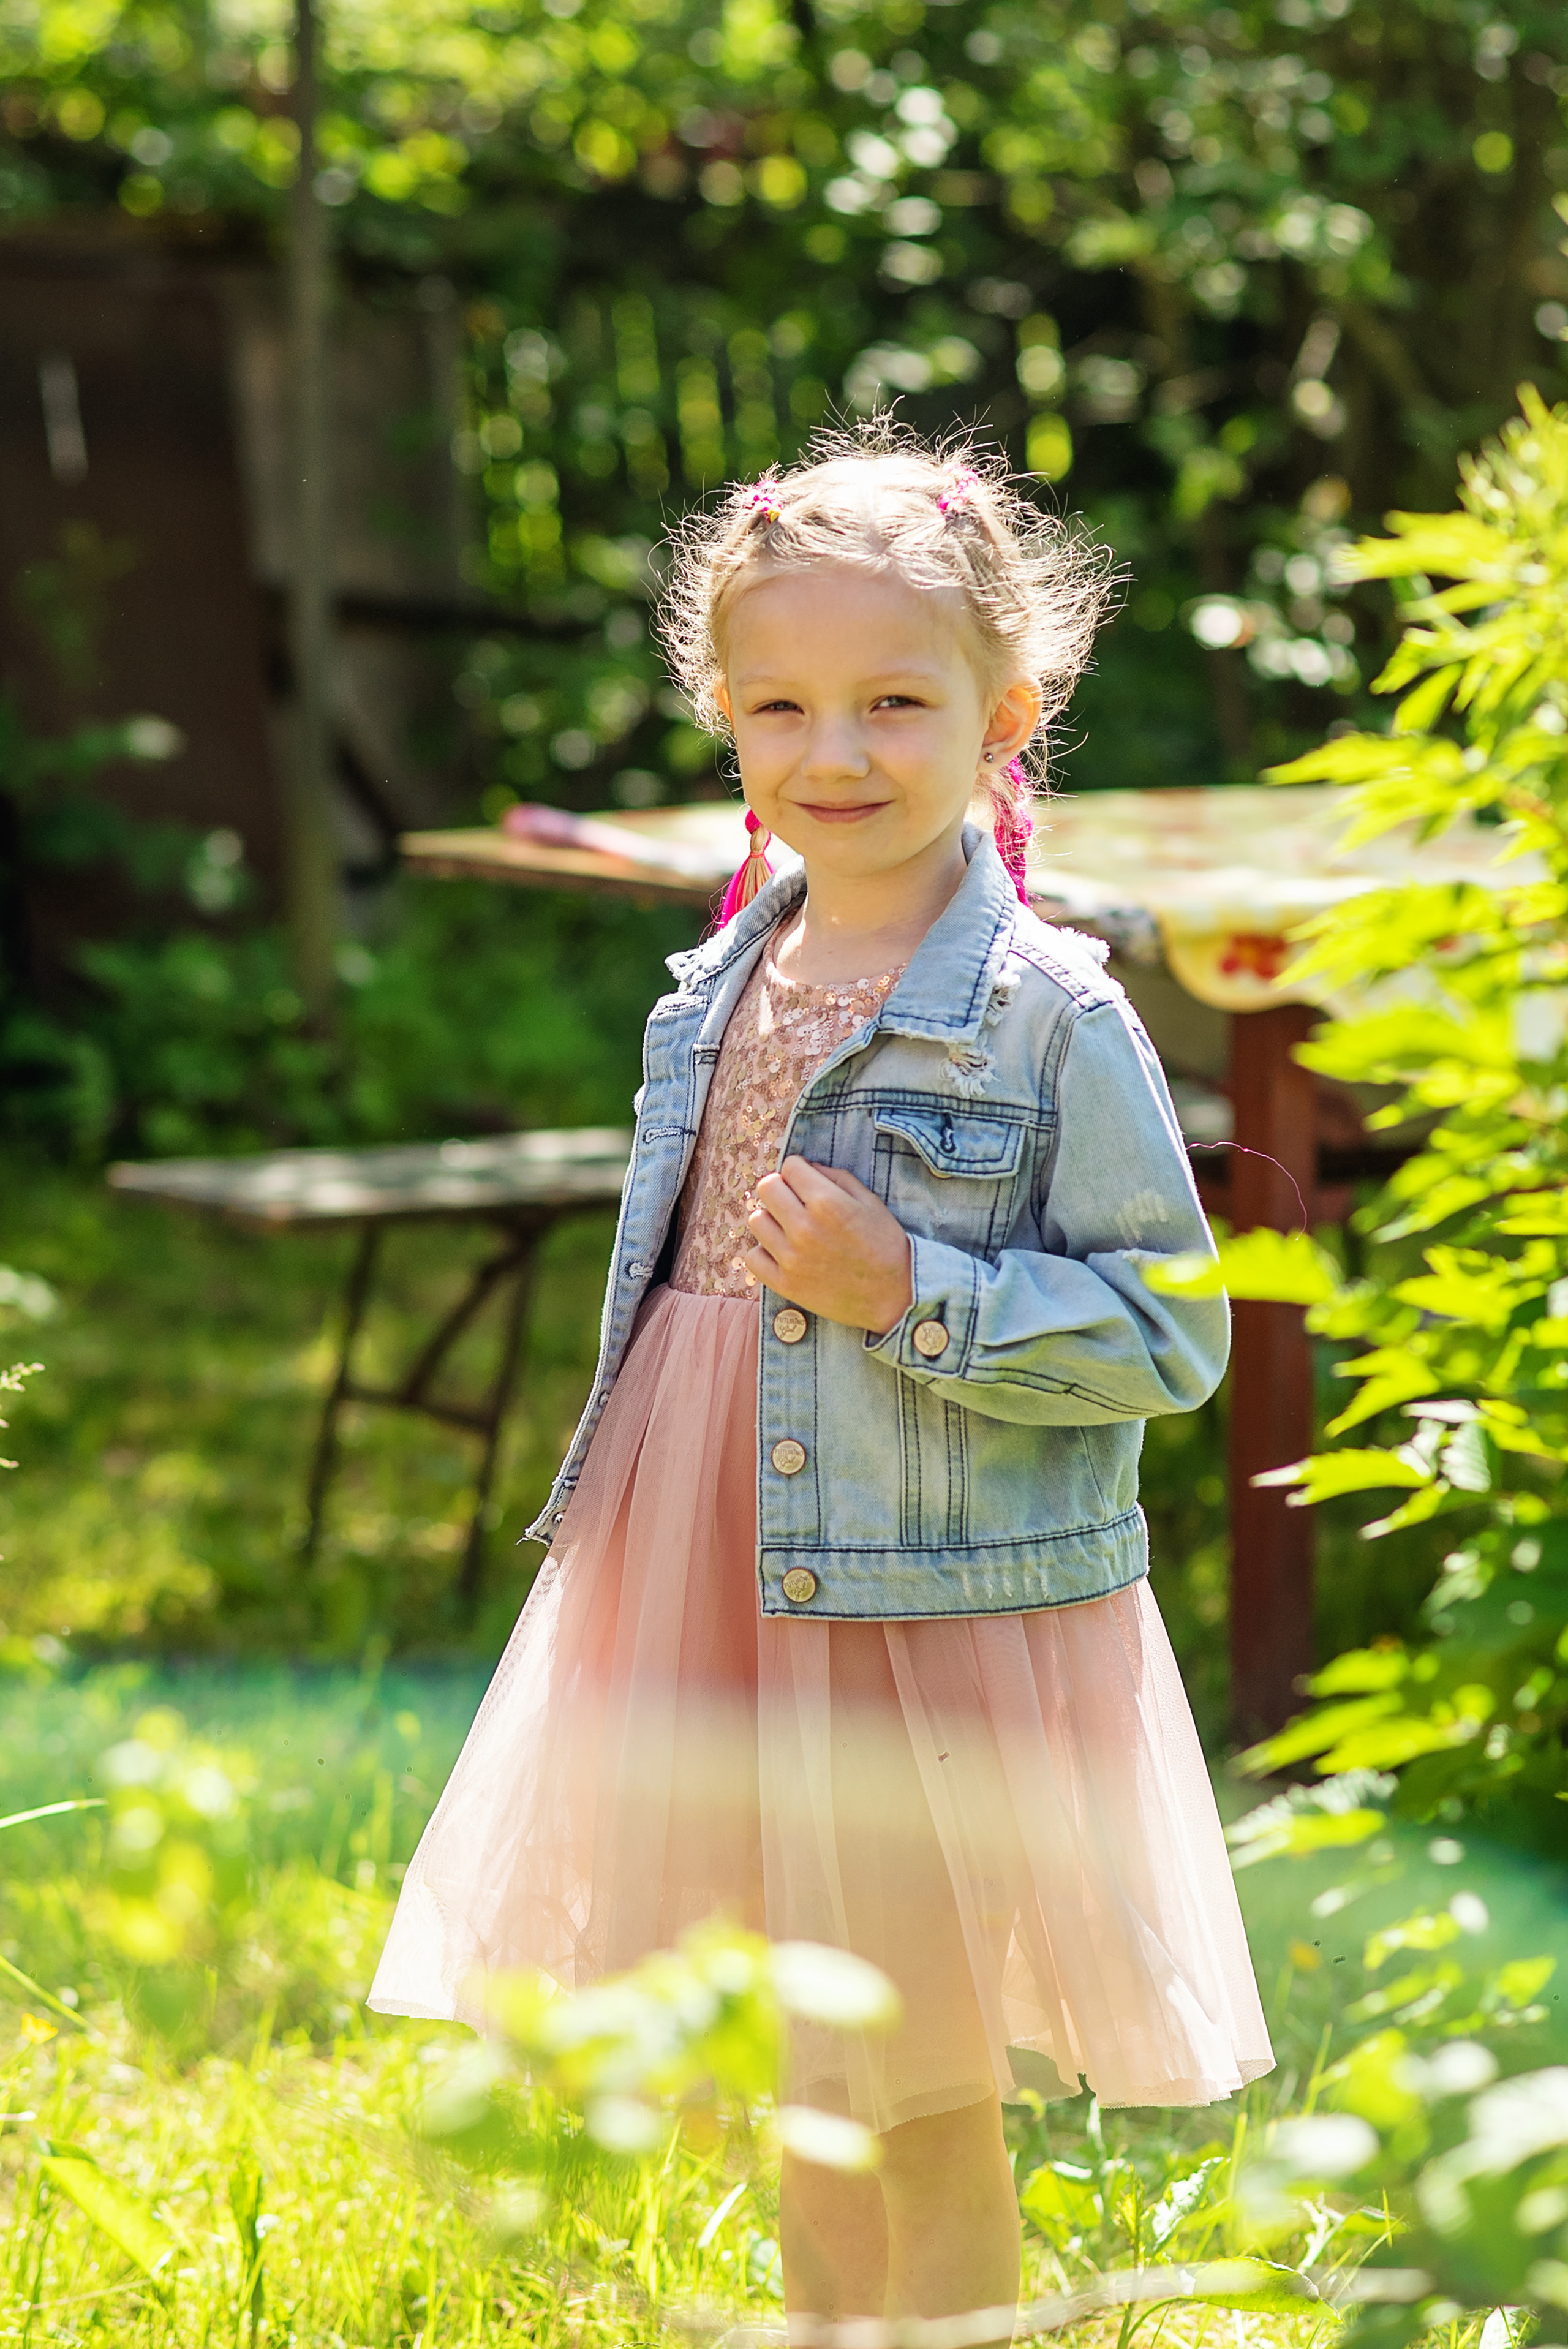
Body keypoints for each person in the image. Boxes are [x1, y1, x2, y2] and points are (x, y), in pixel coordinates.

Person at [369, 428, 1273, 2339]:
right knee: (804, 2056)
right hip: (704, 1561)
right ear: (723, 721)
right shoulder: (717, 984)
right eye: (780, 706)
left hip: (918, 1604)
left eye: (893, 702)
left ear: (1003, 714)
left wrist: (911, 1288)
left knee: (923, 2082)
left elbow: (1174, 1335)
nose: (834, 753)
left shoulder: (1051, 1011)